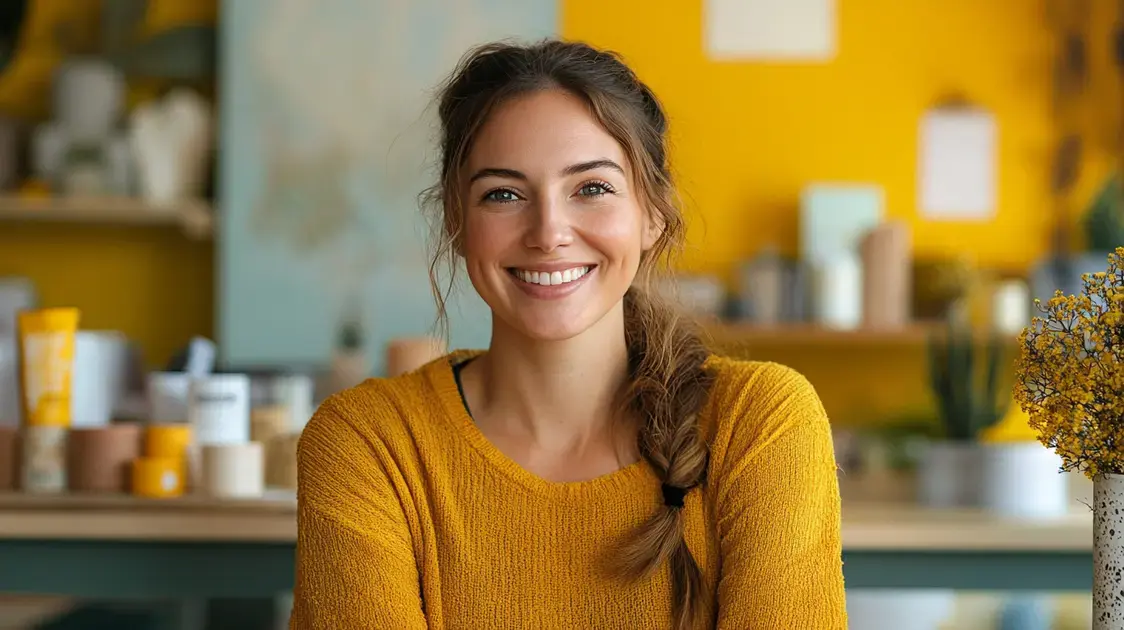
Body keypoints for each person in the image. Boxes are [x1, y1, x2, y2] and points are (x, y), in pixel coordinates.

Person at [289, 39, 847, 630]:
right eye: (503, 194)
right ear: (457, 220)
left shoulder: (760, 423)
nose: (549, 231)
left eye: (592, 188)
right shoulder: (367, 445)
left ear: (652, 214)